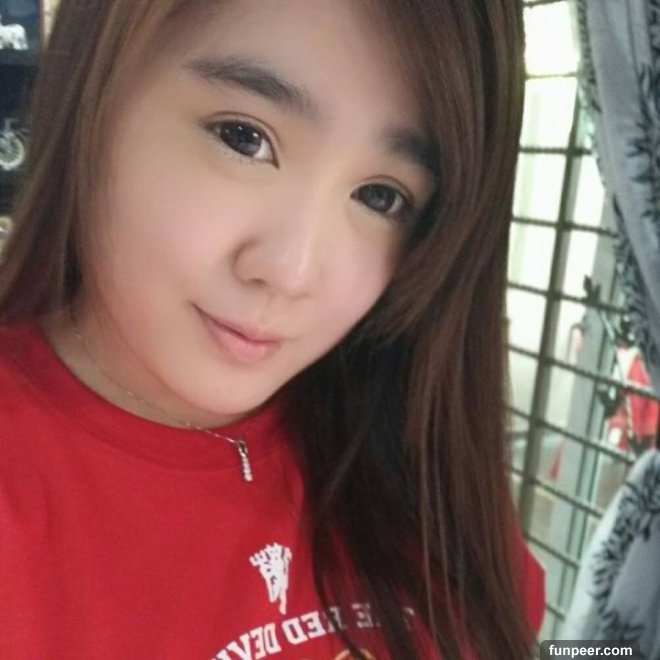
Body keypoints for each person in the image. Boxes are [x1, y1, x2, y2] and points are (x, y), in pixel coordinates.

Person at [0, 0, 545, 658]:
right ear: (95, 84)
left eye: (379, 196)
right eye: (243, 138)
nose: (291, 272)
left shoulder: (415, 467)